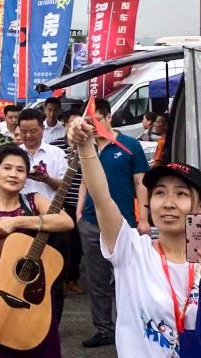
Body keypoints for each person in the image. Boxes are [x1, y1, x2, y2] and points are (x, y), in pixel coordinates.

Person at [71, 117, 201, 357]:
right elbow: (102, 198)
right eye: (160, 193)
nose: (169, 203)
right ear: (149, 203)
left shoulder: (198, 257)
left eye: (181, 194)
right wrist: (86, 147)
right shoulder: (130, 250)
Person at [0, 145, 74, 357]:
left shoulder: (34, 201)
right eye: (7, 168)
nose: (13, 174)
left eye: (20, 170)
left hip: (33, 299)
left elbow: (66, 222)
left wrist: (17, 221)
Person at [76, 97, 150, 348]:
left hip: (125, 225)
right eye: (85, 121)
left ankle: (131, 327)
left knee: (126, 279)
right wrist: (78, 214)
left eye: (92, 120)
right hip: (90, 223)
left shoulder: (130, 146)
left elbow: (141, 183)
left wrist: (144, 218)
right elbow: (85, 182)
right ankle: (103, 329)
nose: (87, 125)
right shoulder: (89, 147)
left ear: (107, 117)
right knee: (97, 281)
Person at [50, 110, 85, 296]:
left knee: (77, 245)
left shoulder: (88, 147)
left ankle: (72, 279)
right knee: (61, 244)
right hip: (59, 204)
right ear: (65, 126)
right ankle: (60, 279)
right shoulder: (56, 146)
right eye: (70, 124)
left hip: (78, 203)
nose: (74, 127)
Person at [17, 108, 67, 201]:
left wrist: (47, 179)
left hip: (48, 211)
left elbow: (65, 187)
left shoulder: (57, 153)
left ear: (43, 129)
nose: (28, 135)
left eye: (33, 131)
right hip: (20, 212)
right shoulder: (14, 154)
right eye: (23, 131)